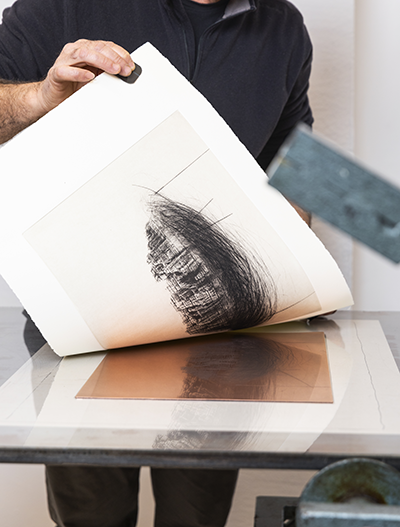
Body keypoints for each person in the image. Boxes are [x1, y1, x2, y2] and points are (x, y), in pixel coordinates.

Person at [0, 0, 313, 526]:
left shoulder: (283, 27)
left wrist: (295, 242)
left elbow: (290, 172)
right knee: (93, 518)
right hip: (81, 339)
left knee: (196, 519)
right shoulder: (60, 5)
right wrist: (40, 97)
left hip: (218, 348)